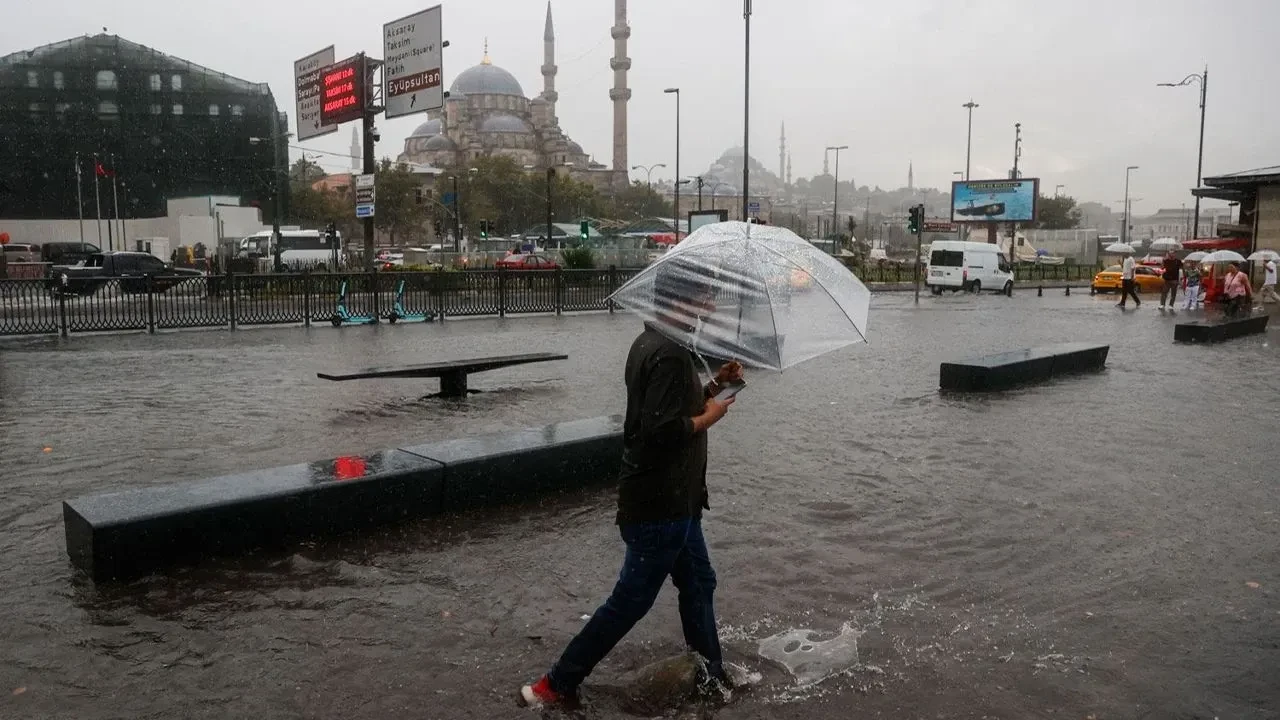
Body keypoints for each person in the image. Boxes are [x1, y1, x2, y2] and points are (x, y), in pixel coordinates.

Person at [518, 264, 741, 709]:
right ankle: (556, 683)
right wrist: (708, 417)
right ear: (683, 299)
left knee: (699, 583)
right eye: (706, 296)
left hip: (676, 503)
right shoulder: (671, 353)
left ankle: (711, 677)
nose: (712, 305)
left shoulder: (651, 342)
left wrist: (717, 384)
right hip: (660, 508)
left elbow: (660, 410)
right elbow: (659, 432)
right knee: (629, 603)